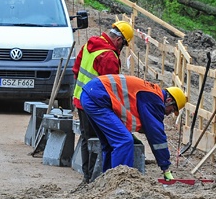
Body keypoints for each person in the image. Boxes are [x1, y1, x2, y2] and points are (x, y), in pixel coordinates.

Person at [80, 74, 186, 179]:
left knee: (109, 144)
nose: (168, 114)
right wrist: (165, 167)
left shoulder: (151, 93)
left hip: (92, 94)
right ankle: (120, 182)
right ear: (168, 101)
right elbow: (156, 135)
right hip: (98, 97)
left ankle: (106, 181)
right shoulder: (154, 99)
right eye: (171, 110)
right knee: (124, 141)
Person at [71, 21, 134, 181]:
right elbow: (110, 91)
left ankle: (87, 177)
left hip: (80, 99)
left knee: (86, 139)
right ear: (119, 40)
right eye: (124, 45)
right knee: (98, 141)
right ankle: (94, 179)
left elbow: (76, 70)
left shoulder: (89, 45)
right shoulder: (108, 57)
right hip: (94, 105)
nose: (122, 49)